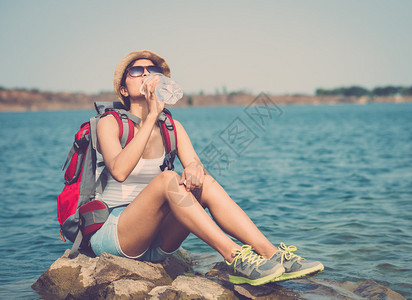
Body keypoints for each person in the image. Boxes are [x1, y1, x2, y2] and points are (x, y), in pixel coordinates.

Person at [89, 49, 324, 286]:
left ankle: (270, 254)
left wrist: (194, 169)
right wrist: (151, 116)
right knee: (168, 179)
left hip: (158, 243)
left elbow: (194, 163)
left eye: (154, 71)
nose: (146, 75)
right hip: (117, 234)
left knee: (205, 182)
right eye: (137, 71)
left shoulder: (172, 127)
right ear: (123, 90)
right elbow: (119, 171)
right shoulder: (110, 123)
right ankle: (234, 256)